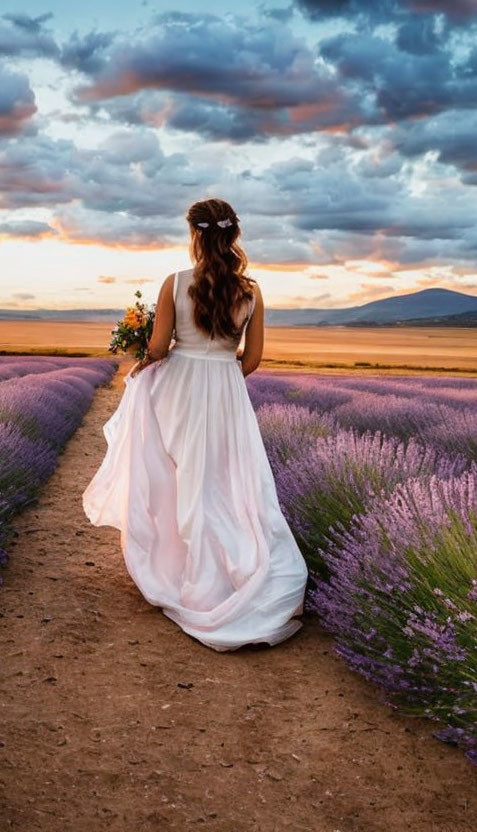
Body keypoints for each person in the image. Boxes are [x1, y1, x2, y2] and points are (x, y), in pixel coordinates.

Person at [82, 197, 308, 652]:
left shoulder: (175, 283)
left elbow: (161, 347)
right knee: (228, 480)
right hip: (226, 388)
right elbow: (255, 358)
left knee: (178, 474)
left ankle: (186, 568)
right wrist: (221, 376)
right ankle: (240, 568)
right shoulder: (252, 291)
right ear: (232, 235)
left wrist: (144, 364)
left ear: (195, 235)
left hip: (179, 389)